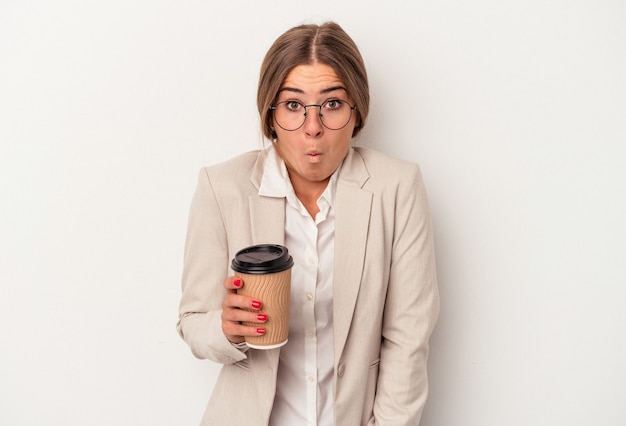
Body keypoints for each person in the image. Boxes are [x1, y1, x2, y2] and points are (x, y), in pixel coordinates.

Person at [177, 21, 440, 425]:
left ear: (357, 110)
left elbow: (408, 339)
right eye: (294, 105)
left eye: (332, 104)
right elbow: (193, 323)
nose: (313, 127)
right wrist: (227, 328)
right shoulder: (222, 187)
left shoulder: (396, 188)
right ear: (271, 114)